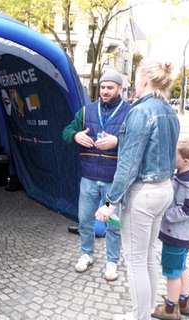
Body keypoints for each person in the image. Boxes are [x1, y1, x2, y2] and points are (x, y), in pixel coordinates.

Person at [94, 60, 180, 320]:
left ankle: (139, 316)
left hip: (144, 194)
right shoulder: (169, 111)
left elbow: (128, 164)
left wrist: (110, 202)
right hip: (164, 189)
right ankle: (146, 311)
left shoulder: (141, 112)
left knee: (135, 261)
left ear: (144, 80)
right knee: (148, 256)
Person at [62, 69, 131, 281]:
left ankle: (112, 261)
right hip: (89, 176)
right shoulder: (86, 111)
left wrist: (118, 142)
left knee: (113, 223)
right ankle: (87, 254)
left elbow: (138, 142)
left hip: (114, 180)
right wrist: (74, 136)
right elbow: (65, 133)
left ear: (119, 88)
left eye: (110, 87)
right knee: (84, 219)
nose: (105, 91)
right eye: (102, 87)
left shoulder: (130, 112)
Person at [152, 138, 189, 320]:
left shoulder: (186, 184)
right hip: (183, 236)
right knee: (181, 267)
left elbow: (186, 209)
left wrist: (166, 213)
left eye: (175, 156)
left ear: (185, 161)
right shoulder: (186, 176)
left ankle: (170, 309)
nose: (171, 158)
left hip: (176, 235)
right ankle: (184, 302)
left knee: (171, 272)